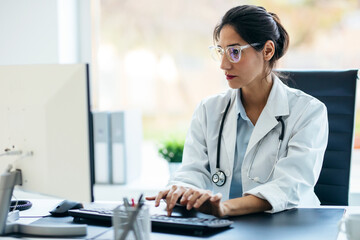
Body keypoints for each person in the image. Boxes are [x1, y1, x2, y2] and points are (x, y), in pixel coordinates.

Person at [146, 5, 328, 217]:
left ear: (268, 51)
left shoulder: (308, 112)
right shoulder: (209, 110)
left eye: (234, 52)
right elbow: (192, 171)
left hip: (288, 226)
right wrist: (182, 189)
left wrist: (224, 208)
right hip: (225, 226)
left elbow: (291, 185)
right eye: (221, 52)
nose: (223, 64)